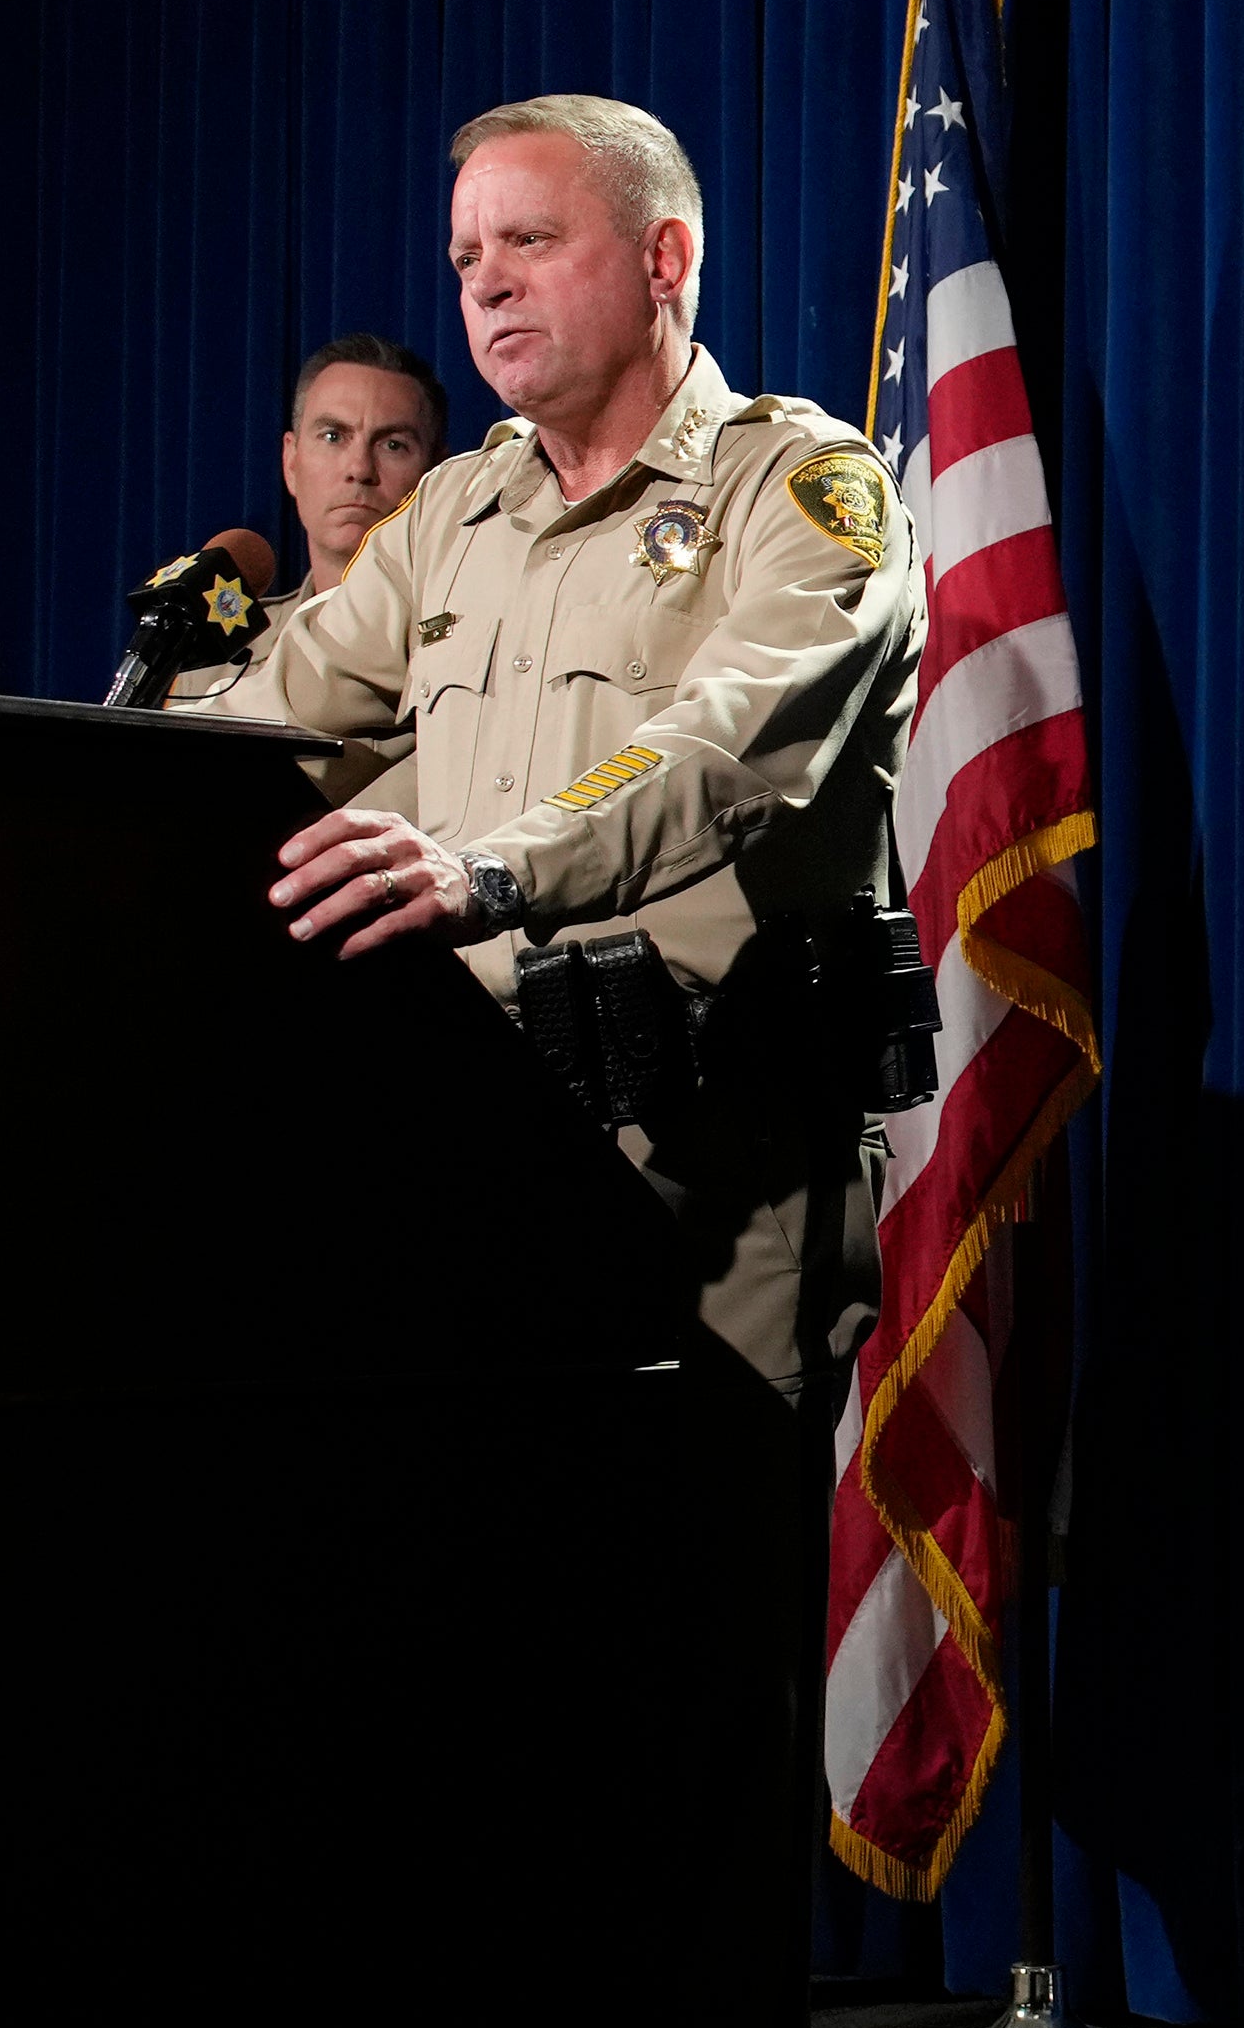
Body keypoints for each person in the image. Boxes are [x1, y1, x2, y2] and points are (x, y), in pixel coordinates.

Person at [170, 95, 920, 1402]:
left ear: (662, 260)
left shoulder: (802, 490)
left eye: (529, 240)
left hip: (713, 1191)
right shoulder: (461, 506)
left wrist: (486, 873)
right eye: (468, 261)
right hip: (461, 1153)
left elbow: (723, 744)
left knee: (686, 1581)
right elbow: (276, 713)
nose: (490, 285)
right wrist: (61, 784)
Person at [279, 330, 449, 597]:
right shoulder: (254, 640)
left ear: (436, 473)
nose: (359, 469)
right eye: (332, 437)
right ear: (290, 463)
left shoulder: (469, 635)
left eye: (393, 445)